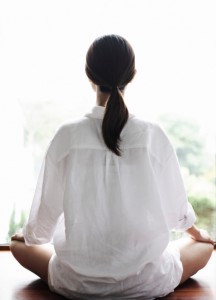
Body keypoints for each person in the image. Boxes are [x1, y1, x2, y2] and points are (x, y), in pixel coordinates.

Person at [10, 34, 214, 299]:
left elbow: (40, 232)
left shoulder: (66, 135)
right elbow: (176, 215)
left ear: (88, 74)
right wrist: (198, 233)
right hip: (147, 282)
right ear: (133, 74)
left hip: (75, 284)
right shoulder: (153, 134)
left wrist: (26, 235)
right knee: (204, 247)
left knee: (18, 246)